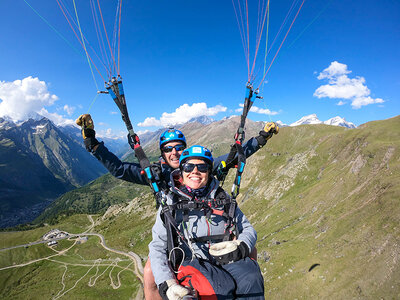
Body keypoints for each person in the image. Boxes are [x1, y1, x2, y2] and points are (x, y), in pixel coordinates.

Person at [76, 114, 278, 299]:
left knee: (251, 253)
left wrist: (260, 139)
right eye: (168, 148)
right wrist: (92, 143)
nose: (174, 152)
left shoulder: (201, 165)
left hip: (205, 229)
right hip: (173, 230)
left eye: (179, 148)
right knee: (149, 273)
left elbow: (234, 157)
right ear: (162, 152)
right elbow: (120, 169)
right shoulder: (156, 173)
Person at [149, 145, 264, 299]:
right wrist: (167, 283)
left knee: (251, 276)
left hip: (225, 257)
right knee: (218, 289)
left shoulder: (223, 199)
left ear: (209, 172)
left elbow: (248, 229)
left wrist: (241, 245)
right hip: (192, 261)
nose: (195, 171)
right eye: (189, 167)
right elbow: (157, 247)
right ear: (181, 172)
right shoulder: (170, 205)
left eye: (202, 167)